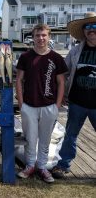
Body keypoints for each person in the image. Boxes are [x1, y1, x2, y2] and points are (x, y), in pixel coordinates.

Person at [16, 24, 67, 183]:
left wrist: (57, 105)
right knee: (30, 139)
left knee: (45, 140)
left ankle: (43, 167)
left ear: (49, 37)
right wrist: (21, 104)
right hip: (29, 106)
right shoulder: (25, 57)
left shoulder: (56, 58)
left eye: (44, 35)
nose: (41, 38)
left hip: (49, 106)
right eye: (38, 35)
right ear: (33, 37)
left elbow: (61, 83)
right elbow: (18, 80)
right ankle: (30, 165)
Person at [52, 12, 96, 179]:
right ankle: (63, 165)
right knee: (71, 135)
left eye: (94, 26)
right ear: (84, 31)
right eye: (88, 27)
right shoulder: (76, 50)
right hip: (77, 101)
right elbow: (63, 74)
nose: (91, 30)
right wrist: (60, 94)